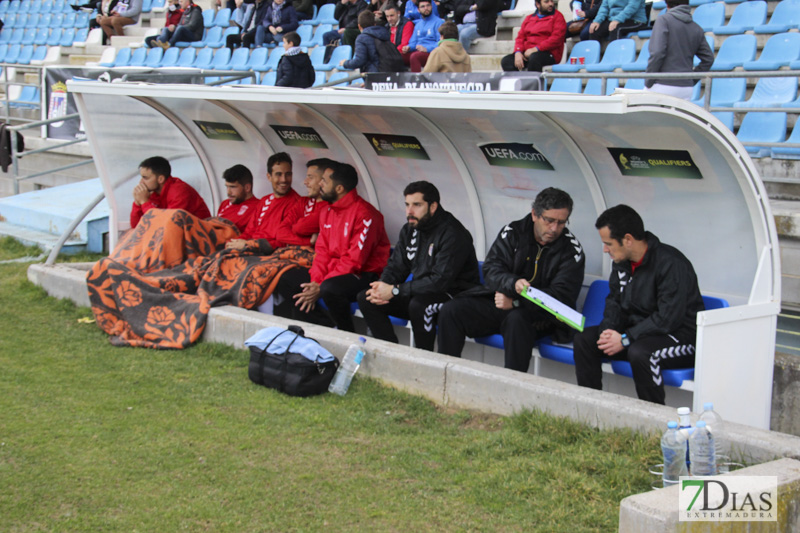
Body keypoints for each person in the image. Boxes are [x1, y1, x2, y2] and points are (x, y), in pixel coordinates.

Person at [437, 188, 585, 372]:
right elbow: (492, 269)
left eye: (561, 222)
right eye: (549, 220)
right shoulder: (514, 232)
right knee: (453, 310)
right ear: (534, 215)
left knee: (517, 320)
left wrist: (516, 302)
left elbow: (560, 298)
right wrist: (513, 283)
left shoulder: (572, 250)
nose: (554, 228)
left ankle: (512, 388)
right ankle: (445, 376)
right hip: (503, 302)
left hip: (542, 316)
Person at [573, 205, 705, 405]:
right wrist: (608, 331)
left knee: (641, 352)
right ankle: (592, 411)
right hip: (639, 334)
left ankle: (652, 422)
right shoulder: (621, 262)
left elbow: (667, 319)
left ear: (628, 240)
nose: (605, 249)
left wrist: (626, 339)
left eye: (608, 243)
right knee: (586, 340)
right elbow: (614, 301)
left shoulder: (670, 263)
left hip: (680, 338)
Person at [357, 181, 480, 351]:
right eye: (407, 205)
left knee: (420, 306)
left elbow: (439, 282)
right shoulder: (410, 229)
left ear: (433, 206)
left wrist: (395, 290)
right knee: (367, 298)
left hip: (455, 297)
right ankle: (391, 355)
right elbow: (397, 266)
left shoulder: (453, 233)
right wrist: (383, 286)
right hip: (421, 293)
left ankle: (423, 361)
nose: (410, 211)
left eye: (417, 205)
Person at [273, 161, 391, 331]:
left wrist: (320, 285)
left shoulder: (366, 215)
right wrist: (315, 281)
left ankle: (344, 333)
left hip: (364, 275)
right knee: (287, 279)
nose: (320, 183)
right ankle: (322, 326)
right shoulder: (327, 211)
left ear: (339, 188)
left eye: (325, 181)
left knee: (330, 289)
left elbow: (354, 262)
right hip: (333, 272)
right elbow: (322, 253)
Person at [226, 152, 304, 254]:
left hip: (270, 256)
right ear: (269, 177)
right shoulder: (264, 201)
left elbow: (285, 243)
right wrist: (233, 243)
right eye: (278, 174)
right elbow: (249, 232)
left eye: (288, 174)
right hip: (251, 251)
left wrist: (249, 244)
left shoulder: (298, 204)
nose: (284, 180)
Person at [645, 0, 713, 100]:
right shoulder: (696, 28)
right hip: (686, 88)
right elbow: (709, 59)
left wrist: (649, 80)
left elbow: (657, 52)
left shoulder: (663, 20)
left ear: (667, 4)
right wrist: (690, 79)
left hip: (662, 84)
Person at [130, 156, 211, 228]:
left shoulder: (179, 191)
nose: (141, 182)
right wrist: (137, 203)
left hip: (199, 235)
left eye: (145, 178)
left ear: (160, 179)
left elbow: (167, 223)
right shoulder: (152, 193)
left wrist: (144, 202)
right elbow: (136, 226)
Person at [274, 158, 333, 247]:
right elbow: (280, 233)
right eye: (306, 177)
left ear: (323, 181)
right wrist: (309, 241)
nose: (305, 182)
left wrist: (293, 229)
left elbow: (300, 228)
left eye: (310, 177)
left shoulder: (329, 206)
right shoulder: (303, 201)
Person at [500, 0, 565, 72]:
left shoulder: (558, 17)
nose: (550, 4)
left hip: (548, 53)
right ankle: (518, 82)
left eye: (551, 1)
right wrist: (518, 52)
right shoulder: (529, 18)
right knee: (506, 61)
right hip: (528, 54)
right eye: (546, 2)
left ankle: (534, 83)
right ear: (538, 4)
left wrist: (536, 49)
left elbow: (556, 38)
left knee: (535, 58)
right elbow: (520, 37)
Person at [216, 164, 261, 233]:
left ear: (247, 188)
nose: (228, 192)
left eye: (233, 187)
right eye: (227, 187)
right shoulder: (224, 204)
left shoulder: (259, 207)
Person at [403, 0, 444, 72]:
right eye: (423, 6)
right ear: (418, 10)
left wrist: (426, 49)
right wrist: (409, 47)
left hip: (432, 53)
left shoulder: (439, 22)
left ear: (431, 7)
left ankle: (417, 81)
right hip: (418, 51)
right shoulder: (418, 24)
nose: (426, 8)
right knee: (398, 57)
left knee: (415, 56)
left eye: (428, 5)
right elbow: (413, 42)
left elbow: (441, 43)